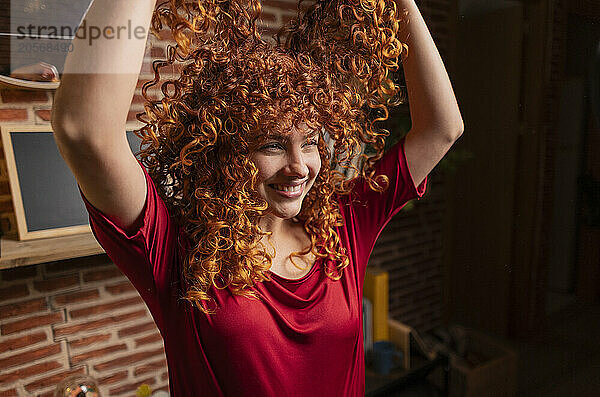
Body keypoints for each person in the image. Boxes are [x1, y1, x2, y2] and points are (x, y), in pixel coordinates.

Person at [51, 0, 463, 395]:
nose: (300, 166)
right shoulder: (179, 250)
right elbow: (85, 132)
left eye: (312, 143)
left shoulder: (343, 228)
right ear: (222, 150)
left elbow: (441, 129)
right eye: (271, 145)